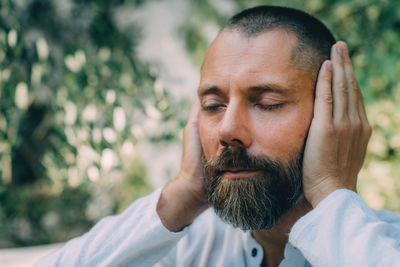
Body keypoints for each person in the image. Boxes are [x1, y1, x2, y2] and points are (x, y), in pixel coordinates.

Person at [36, 6, 400, 267]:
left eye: (267, 102)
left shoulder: (384, 247)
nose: (227, 130)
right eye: (213, 105)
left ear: (333, 116)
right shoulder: (178, 247)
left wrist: (330, 192)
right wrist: (182, 194)